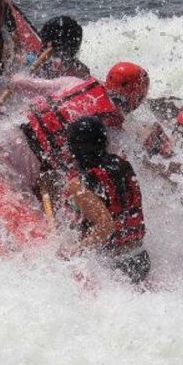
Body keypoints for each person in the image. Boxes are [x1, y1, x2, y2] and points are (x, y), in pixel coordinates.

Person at [0, 61, 150, 193]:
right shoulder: (115, 134)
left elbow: (18, 83)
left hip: (7, 136)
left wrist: (18, 77)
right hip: (29, 167)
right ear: (136, 100)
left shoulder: (73, 83)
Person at [57, 116, 150, 283]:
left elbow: (105, 226)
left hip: (116, 268)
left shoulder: (79, 184)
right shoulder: (122, 164)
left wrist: (74, 250)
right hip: (141, 258)